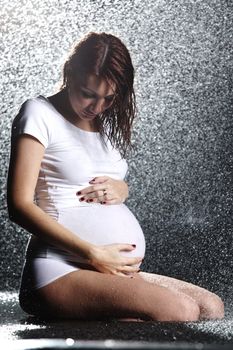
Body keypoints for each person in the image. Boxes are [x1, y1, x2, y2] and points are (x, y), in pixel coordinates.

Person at [7, 32, 224, 321]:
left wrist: (123, 188)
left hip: (104, 267)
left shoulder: (104, 124)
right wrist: (92, 253)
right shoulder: (39, 113)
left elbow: (103, 177)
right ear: (70, 72)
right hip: (60, 269)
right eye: (88, 93)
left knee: (211, 307)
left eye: (108, 98)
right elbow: (19, 205)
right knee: (180, 310)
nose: (96, 107)